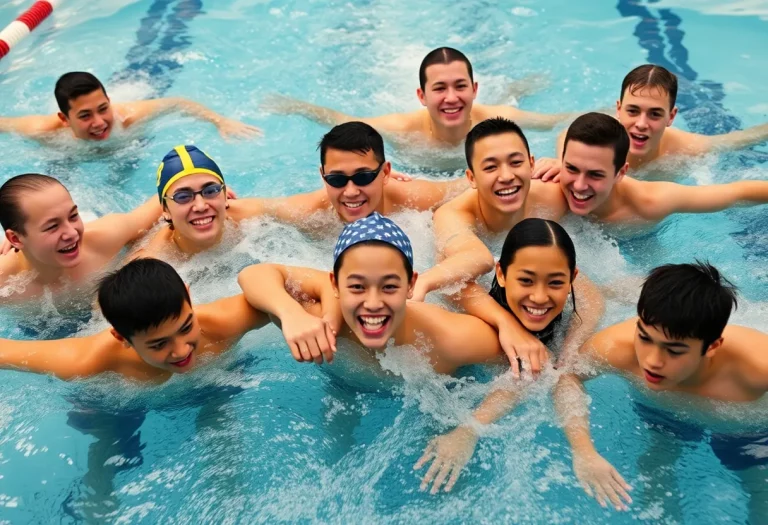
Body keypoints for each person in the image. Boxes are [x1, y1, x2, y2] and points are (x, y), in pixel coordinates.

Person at [554, 262, 768, 517]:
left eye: (674, 351)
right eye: (644, 338)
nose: (652, 361)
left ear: (712, 346)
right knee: (653, 469)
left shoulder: (757, 366)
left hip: (745, 431)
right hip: (663, 413)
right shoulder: (616, 347)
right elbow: (567, 378)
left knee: (760, 490)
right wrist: (584, 451)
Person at [413, 218, 603, 493]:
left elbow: (592, 300)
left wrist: (570, 349)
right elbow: (451, 285)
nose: (539, 297)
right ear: (501, 274)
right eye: (525, 281)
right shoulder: (477, 307)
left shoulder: (571, 288)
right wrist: (468, 430)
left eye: (555, 283)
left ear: (571, 277)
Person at [138, 125, 467, 258]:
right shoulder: (307, 213)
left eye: (364, 176)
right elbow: (244, 211)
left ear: (386, 173)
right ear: (322, 177)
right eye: (337, 179)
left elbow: (471, 183)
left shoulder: (409, 197)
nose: (351, 191)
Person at [237, 212, 506, 373]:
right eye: (357, 287)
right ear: (335, 284)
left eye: (389, 286)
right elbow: (253, 274)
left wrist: (467, 430)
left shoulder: (452, 339)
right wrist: (290, 313)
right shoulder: (318, 324)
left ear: (411, 285)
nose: (373, 303)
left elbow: (523, 375)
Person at [0, 258, 288, 381]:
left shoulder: (223, 322)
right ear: (121, 338)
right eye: (159, 344)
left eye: (186, 327)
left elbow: (301, 286)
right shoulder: (90, 360)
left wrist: (292, 314)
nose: (182, 350)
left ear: (189, 298)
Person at [265, 47, 582, 148]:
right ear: (421, 95)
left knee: (512, 96)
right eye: (439, 89)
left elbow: (562, 121)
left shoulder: (499, 120)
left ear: (475, 89)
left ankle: (521, 87)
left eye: (460, 86)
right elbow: (339, 120)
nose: (451, 98)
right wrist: (294, 107)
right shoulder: (402, 129)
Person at [412, 117, 566, 303]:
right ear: (472, 178)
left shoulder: (555, 195)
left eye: (516, 162)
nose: (507, 176)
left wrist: (569, 166)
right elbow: (477, 257)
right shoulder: (453, 215)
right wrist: (423, 283)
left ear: (531, 164)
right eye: (491, 167)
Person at [533, 64, 768, 180]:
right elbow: (565, 132)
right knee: (547, 120)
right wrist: (564, 161)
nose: (642, 124)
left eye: (655, 114)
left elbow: (740, 139)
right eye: (632, 111)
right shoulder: (598, 133)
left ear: (671, 117)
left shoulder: (686, 148)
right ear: (619, 109)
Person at [555, 113, 768, 223]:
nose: (580, 185)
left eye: (595, 175)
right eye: (572, 169)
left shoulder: (650, 202)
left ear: (621, 173)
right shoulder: (551, 192)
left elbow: (734, 193)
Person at [0, 174, 161, 304]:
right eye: (52, 227)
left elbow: (162, 199)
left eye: (73, 216)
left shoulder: (103, 239)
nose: (72, 233)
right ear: (15, 238)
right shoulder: (5, 283)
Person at [0, 72, 260, 142]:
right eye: (85, 115)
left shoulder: (130, 118)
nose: (100, 122)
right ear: (64, 119)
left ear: (110, 101)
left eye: (103, 108)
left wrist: (220, 121)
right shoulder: (43, 130)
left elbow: (179, 103)